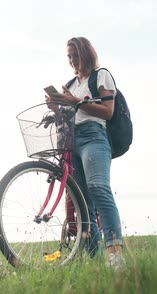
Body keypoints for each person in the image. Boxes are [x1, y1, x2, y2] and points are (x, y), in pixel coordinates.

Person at [45, 36, 124, 268]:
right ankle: (96, 259)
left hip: (94, 137)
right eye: (69, 57)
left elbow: (107, 112)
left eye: (75, 55)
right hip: (73, 140)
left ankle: (115, 253)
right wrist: (57, 108)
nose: (71, 61)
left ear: (86, 53)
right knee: (83, 202)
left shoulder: (101, 76)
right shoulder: (69, 85)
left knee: (98, 187)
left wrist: (75, 101)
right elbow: (68, 119)